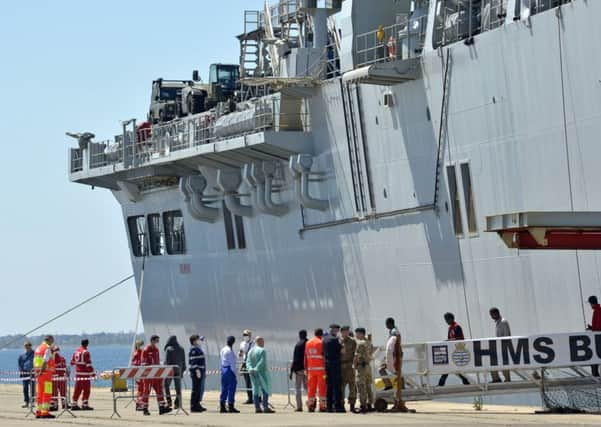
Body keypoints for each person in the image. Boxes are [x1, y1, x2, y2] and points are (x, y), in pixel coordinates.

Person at [141, 335, 171, 416]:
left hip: (156, 375)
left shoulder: (156, 350)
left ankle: (162, 408)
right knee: (146, 391)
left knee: (159, 390)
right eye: (157, 340)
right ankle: (145, 409)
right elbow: (143, 363)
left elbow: (157, 361)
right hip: (148, 375)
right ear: (152, 340)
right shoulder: (146, 350)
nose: (158, 342)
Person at [438, 313, 470, 386]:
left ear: (451, 318)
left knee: (451, 367)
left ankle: (441, 383)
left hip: (458, 350)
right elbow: (450, 339)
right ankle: (465, 381)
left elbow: (459, 338)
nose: (446, 321)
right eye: (445, 320)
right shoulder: (450, 328)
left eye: (447, 319)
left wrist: (449, 341)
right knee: (451, 367)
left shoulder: (457, 327)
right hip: (452, 350)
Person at [247, 337, 275, 414]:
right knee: (265, 389)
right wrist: (256, 369)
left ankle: (257, 407)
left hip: (252, 373)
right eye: (262, 341)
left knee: (255, 389)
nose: (263, 343)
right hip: (262, 373)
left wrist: (250, 369)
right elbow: (262, 362)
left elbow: (247, 362)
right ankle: (265, 407)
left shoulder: (250, 351)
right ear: (259, 341)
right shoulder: (262, 350)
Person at [322, 324, 344, 412]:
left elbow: (323, 353)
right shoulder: (335, 340)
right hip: (335, 365)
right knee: (337, 386)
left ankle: (329, 406)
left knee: (329, 386)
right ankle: (338, 406)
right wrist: (341, 343)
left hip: (327, 365)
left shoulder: (324, 340)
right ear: (335, 330)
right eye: (337, 330)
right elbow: (343, 351)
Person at [33, 335, 56, 419]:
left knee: (40, 393)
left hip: (38, 374)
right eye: (52, 341)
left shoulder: (38, 348)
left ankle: (38, 412)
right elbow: (45, 361)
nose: (52, 342)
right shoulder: (47, 348)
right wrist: (42, 371)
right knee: (47, 393)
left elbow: (35, 361)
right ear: (49, 340)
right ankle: (45, 413)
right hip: (45, 374)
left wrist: (38, 372)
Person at [305, 328, 326, 412]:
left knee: (311, 388)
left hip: (311, 370)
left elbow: (306, 356)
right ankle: (322, 406)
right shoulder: (321, 343)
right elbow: (324, 356)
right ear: (321, 335)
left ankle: (310, 405)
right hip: (321, 370)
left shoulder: (308, 343)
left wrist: (306, 368)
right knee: (322, 387)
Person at [70, 339, 94, 410]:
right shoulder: (86, 353)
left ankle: (74, 404)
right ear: (87, 344)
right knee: (86, 390)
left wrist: (78, 364)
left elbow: (72, 362)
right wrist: (93, 374)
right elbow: (88, 365)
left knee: (77, 389)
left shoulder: (76, 352)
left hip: (78, 374)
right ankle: (84, 404)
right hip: (85, 374)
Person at [353, 328, 373, 414]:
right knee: (368, 386)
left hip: (361, 367)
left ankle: (363, 405)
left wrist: (354, 365)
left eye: (357, 334)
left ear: (361, 334)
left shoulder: (360, 343)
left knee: (361, 386)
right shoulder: (368, 342)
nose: (356, 336)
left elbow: (357, 356)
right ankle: (370, 404)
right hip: (368, 366)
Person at [489, 308, 512, 382]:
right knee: (493, 362)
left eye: (492, 315)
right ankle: (496, 378)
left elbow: (506, 335)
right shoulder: (498, 323)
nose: (491, 317)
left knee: (503, 363)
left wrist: (504, 345)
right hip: (499, 346)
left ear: (496, 313)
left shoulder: (503, 322)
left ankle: (507, 379)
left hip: (504, 346)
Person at [164, 336, 186, 410]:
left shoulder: (169, 349)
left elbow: (167, 361)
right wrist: (182, 370)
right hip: (178, 370)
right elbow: (183, 361)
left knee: (166, 385)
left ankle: (169, 401)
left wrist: (164, 370)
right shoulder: (181, 349)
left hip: (170, 370)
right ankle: (177, 403)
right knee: (178, 388)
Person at [340, 325, 357, 412]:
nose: (345, 333)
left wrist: (354, 364)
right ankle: (341, 405)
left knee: (352, 385)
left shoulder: (353, 341)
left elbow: (355, 353)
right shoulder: (338, 341)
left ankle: (352, 405)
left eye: (347, 331)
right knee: (342, 386)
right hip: (341, 366)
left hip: (350, 365)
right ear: (341, 332)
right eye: (344, 332)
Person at [289, 329, 308, 412]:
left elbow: (295, 359)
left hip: (299, 370)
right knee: (308, 388)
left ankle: (299, 407)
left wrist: (291, 371)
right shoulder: (309, 343)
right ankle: (311, 405)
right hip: (308, 369)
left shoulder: (298, 345)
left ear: (300, 335)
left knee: (297, 388)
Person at [220, 336, 239, 413]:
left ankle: (222, 406)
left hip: (223, 369)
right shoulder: (229, 351)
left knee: (224, 388)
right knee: (231, 388)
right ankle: (231, 406)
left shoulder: (223, 349)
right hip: (229, 370)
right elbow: (232, 364)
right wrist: (235, 374)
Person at [189, 334, 207, 413]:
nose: (200, 341)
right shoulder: (193, 350)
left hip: (200, 371)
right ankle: (193, 406)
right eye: (198, 339)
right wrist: (197, 370)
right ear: (194, 341)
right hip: (196, 372)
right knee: (195, 389)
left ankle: (197, 404)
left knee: (199, 389)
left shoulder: (198, 349)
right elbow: (193, 361)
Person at [238, 330, 254, 404]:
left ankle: (258, 398)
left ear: (250, 336)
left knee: (254, 381)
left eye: (246, 335)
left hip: (252, 363)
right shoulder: (242, 343)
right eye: (244, 335)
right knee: (247, 381)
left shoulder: (253, 343)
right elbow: (241, 353)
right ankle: (250, 398)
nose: (245, 336)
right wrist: (240, 353)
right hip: (245, 363)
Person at [586, 296, 601, 377]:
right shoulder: (597, 310)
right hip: (597, 337)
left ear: (591, 303)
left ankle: (595, 376)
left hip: (598, 339)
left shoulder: (597, 311)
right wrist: (592, 327)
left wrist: (593, 329)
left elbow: (598, 327)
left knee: (593, 359)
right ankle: (596, 375)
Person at [18, 341, 35, 409]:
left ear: (31, 346)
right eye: (26, 346)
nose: (27, 347)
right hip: (25, 374)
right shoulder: (22, 355)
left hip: (32, 373)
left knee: (33, 388)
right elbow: (20, 364)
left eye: (28, 346)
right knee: (25, 388)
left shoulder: (34, 354)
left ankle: (32, 402)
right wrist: (21, 371)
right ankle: (26, 402)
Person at [50, 346, 68, 411]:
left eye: (57, 350)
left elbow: (65, 367)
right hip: (55, 378)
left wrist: (67, 373)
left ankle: (64, 404)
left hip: (61, 378)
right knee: (54, 392)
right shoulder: (52, 359)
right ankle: (55, 405)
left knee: (63, 392)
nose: (57, 352)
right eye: (55, 350)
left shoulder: (62, 358)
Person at [131, 340, 145, 411]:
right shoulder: (138, 353)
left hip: (138, 373)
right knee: (141, 389)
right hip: (139, 373)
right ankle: (139, 403)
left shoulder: (135, 352)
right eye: (141, 345)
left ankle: (139, 403)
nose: (142, 346)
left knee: (140, 389)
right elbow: (137, 362)